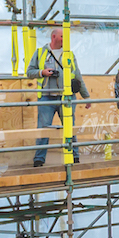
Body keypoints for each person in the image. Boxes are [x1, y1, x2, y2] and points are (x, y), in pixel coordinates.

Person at [27, 27, 91, 168]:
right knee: (44, 129)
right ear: (54, 37)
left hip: (66, 98)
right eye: (62, 36)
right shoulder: (40, 53)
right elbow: (29, 72)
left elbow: (78, 76)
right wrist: (42, 72)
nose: (65, 40)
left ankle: (74, 156)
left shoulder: (69, 54)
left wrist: (86, 96)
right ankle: (39, 159)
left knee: (69, 127)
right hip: (46, 98)